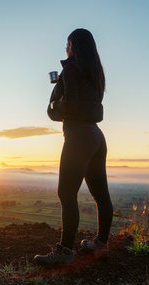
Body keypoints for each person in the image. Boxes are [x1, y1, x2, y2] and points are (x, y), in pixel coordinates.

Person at [34, 28, 113, 266]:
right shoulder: (96, 72)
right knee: (101, 195)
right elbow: (84, 103)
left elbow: (67, 107)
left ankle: (65, 252)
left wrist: (56, 98)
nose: (65, 48)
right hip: (97, 137)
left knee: (66, 194)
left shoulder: (70, 69)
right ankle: (101, 243)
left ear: (73, 46)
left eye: (67, 44)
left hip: (78, 136)